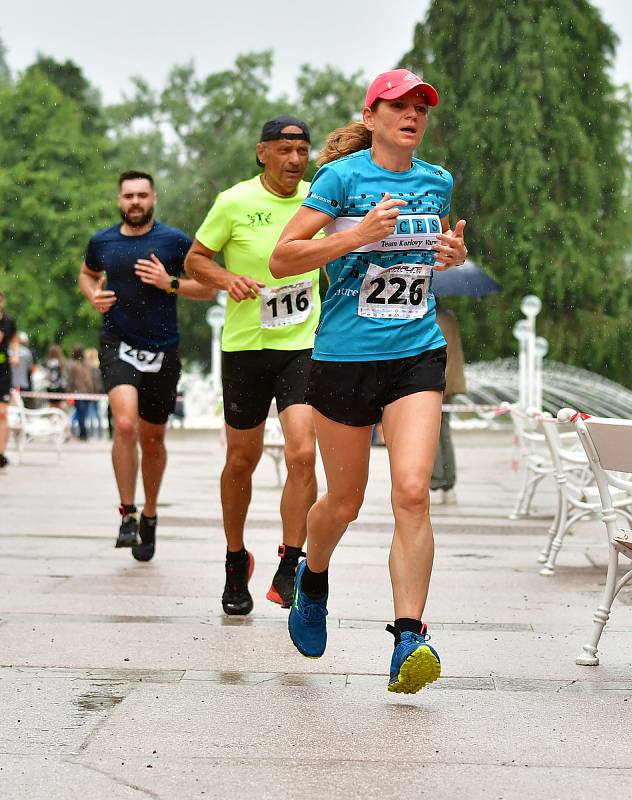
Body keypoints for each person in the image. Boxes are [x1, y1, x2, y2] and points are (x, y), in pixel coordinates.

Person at [270, 69, 467, 694]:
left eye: (421, 108)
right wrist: (356, 236)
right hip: (345, 358)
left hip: (416, 353)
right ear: (373, 115)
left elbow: (428, 254)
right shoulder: (340, 178)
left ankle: (409, 636)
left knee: (412, 492)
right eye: (399, 106)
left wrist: (449, 257)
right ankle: (314, 576)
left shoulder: (437, 182)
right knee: (344, 501)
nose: (412, 116)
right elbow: (282, 257)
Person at [185, 116, 319, 615]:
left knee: (303, 453)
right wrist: (226, 278)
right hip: (245, 347)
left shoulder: (318, 200)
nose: (294, 160)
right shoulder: (235, 201)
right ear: (262, 152)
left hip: (302, 344)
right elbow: (195, 260)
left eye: (302, 150)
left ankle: (291, 563)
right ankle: (235, 558)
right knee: (243, 458)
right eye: (285, 149)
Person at [78, 170, 216, 559]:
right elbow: (87, 274)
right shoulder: (102, 241)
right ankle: (127, 512)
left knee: (153, 438)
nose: (134, 202)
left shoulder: (174, 242)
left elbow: (208, 287)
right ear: (119, 200)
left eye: (142, 195)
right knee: (124, 423)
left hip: (162, 349)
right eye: (128, 196)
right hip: (117, 342)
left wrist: (168, 283)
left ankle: (150, 514)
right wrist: (93, 295)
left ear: (153, 198)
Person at [430, 302, 466, 505]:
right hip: (451, 382)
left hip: (437, 382)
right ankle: (449, 483)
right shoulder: (450, 318)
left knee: (431, 435)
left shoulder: (433, 318)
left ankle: (437, 482)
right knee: (444, 433)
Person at [0, 290, 19, 469]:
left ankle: (1, 453)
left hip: (3, 370)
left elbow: (14, 339)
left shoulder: (8, 321)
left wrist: (15, 354)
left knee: (2, 413)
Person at [65, 345, 95, 440]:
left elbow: (71, 380)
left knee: (80, 413)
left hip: (79, 392)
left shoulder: (73, 365)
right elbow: (90, 380)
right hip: (86, 392)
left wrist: (69, 391)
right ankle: (82, 432)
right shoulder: (86, 365)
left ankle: (81, 432)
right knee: (82, 413)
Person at [84, 348, 105, 438]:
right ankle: (99, 433)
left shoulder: (91, 369)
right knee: (96, 414)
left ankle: (93, 434)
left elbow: (93, 383)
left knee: (91, 414)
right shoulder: (97, 368)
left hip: (92, 393)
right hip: (96, 393)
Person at [45, 344, 66, 408]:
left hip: (52, 387)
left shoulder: (50, 363)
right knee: (59, 407)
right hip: (60, 387)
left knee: (52, 407)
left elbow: (51, 377)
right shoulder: (61, 362)